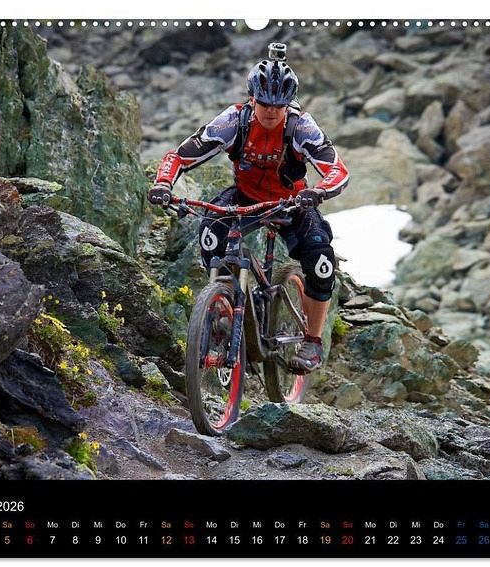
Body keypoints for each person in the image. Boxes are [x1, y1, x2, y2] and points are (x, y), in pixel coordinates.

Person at [148, 49, 349, 372]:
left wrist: (318, 191)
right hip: (245, 196)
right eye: (264, 103)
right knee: (211, 233)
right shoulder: (234, 121)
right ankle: (225, 302)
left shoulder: (302, 128)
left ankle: (312, 341)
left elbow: (337, 171)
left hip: (292, 202)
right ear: (252, 98)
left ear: (289, 103)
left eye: (279, 105)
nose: (271, 111)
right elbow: (181, 156)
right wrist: (163, 184)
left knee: (321, 262)